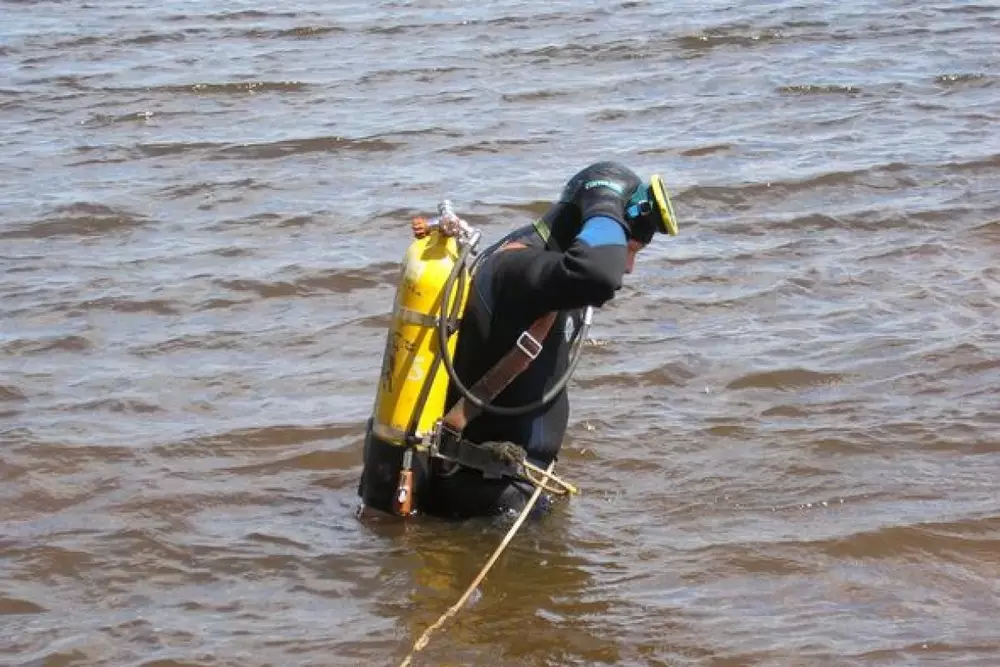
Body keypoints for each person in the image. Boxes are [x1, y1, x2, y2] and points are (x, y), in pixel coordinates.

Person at [420, 160, 678, 519]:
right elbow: (597, 274)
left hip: (507, 490)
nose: (628, 265)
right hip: (484, 504)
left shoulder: (543, 266)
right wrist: (605, 202)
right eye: (628, 248)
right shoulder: (517, 269)